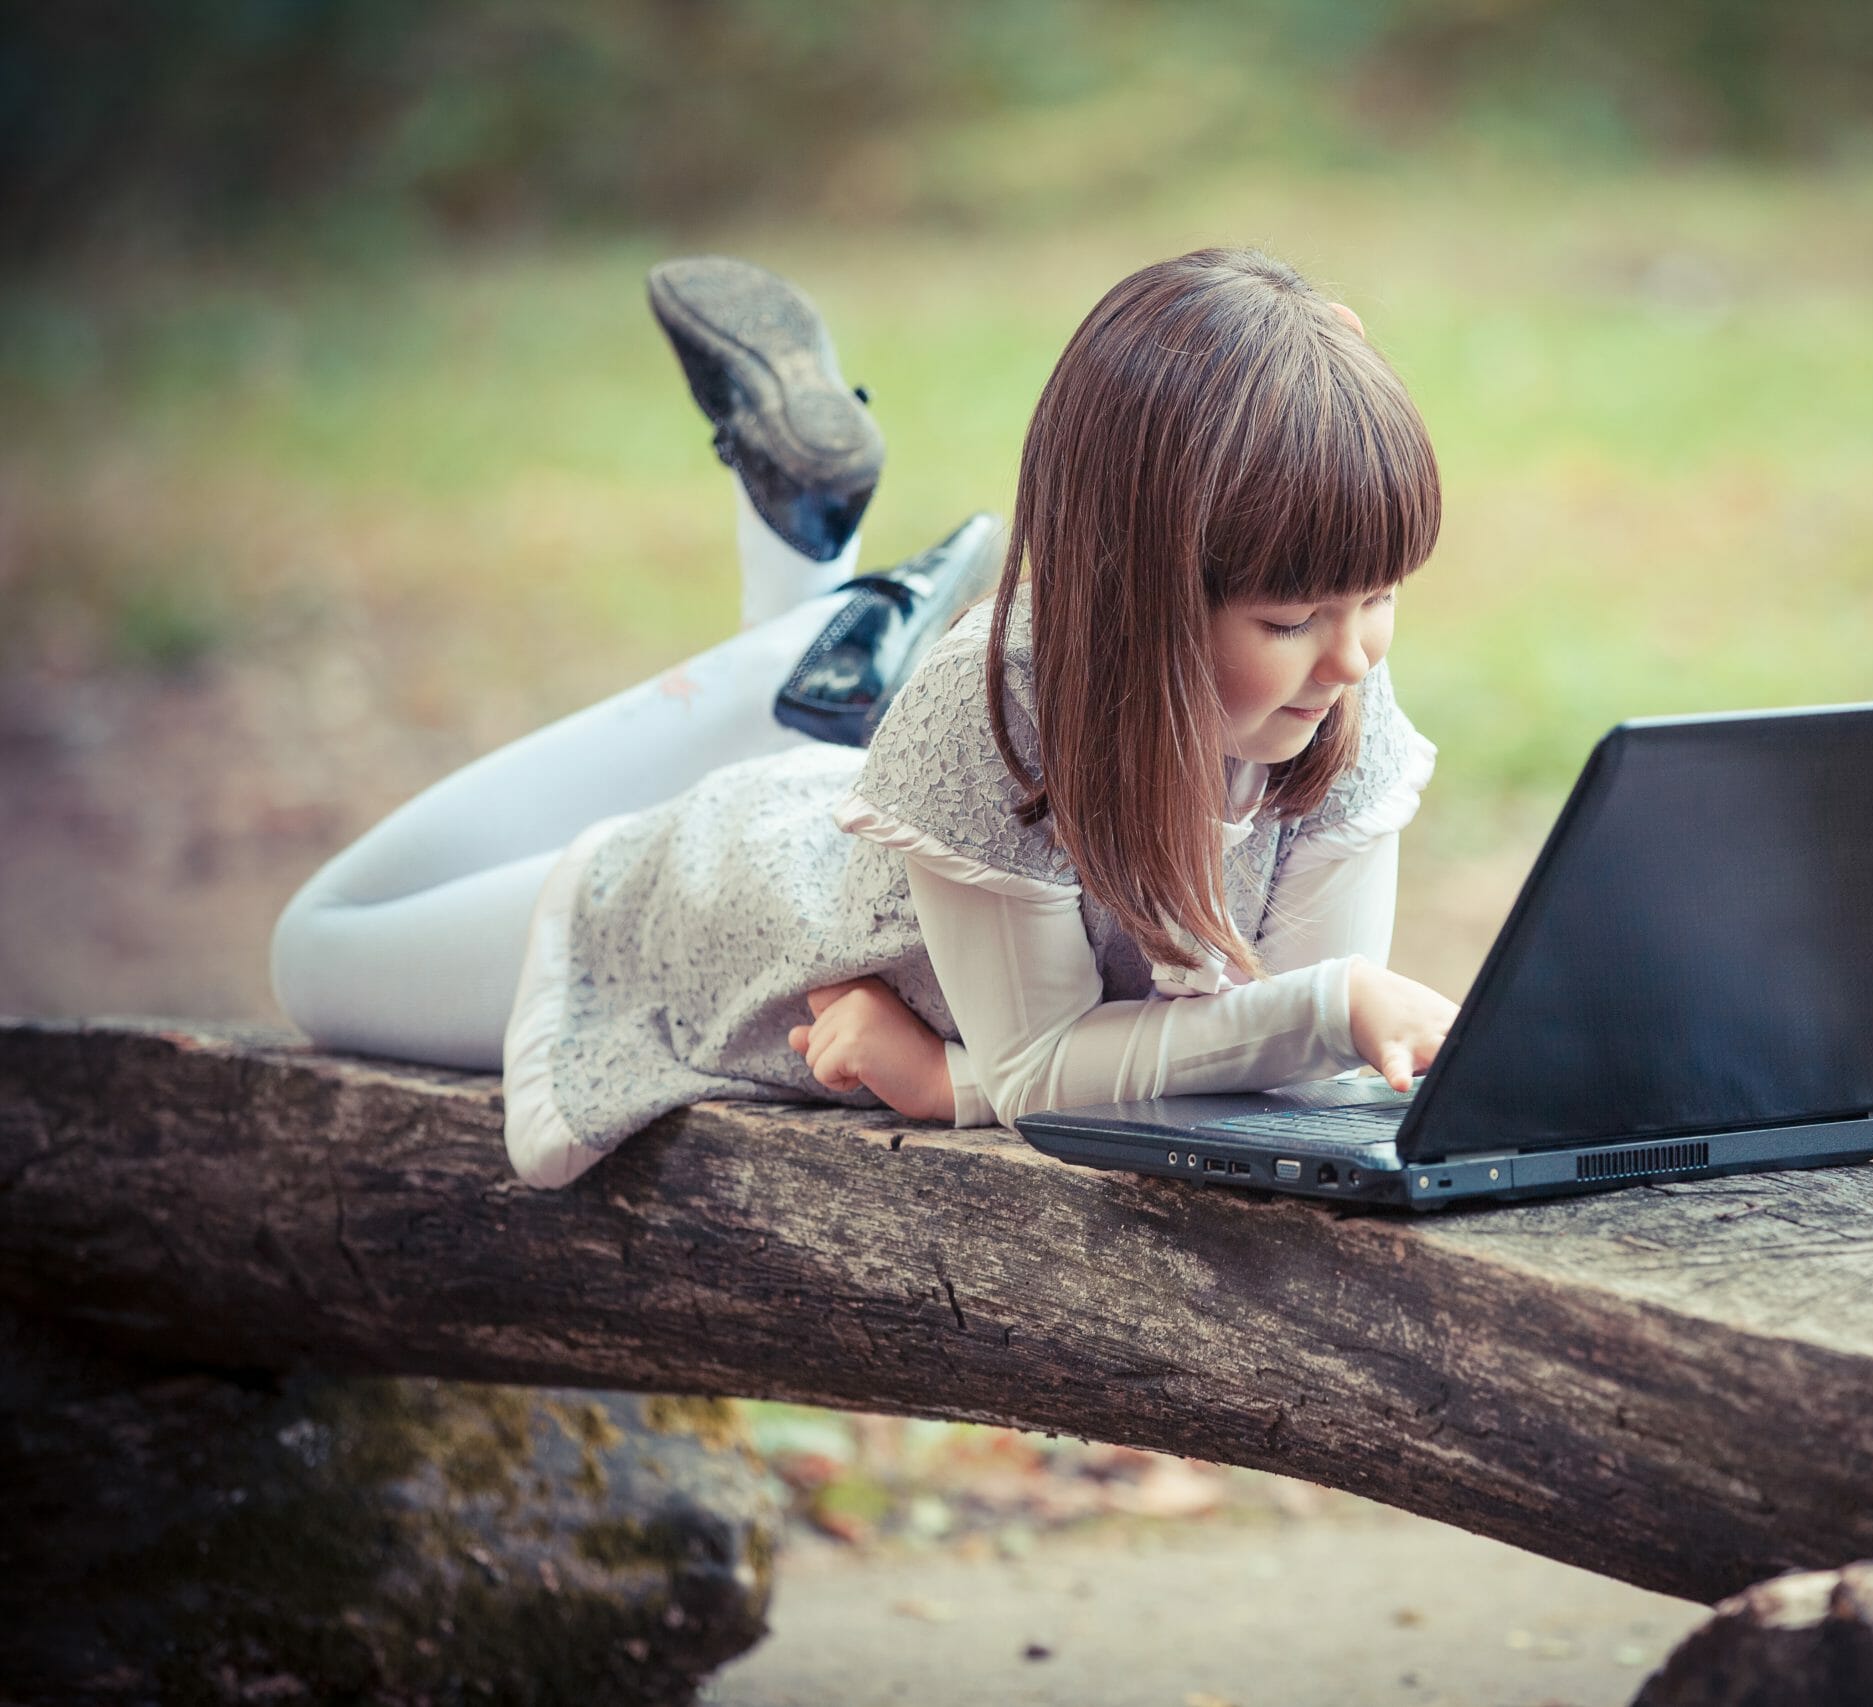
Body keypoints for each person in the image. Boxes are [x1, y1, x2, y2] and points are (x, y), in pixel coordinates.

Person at [269, 246, 1460, 1189]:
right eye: (1293, 618)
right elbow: (1074, 1060)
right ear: (1140, 586)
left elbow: (1277, 1054)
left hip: (876, 835)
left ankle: (813, 599)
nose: (1351, 654)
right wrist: (970, 1082)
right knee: (318, 950)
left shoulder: (1337, 699)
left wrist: (954, 1078)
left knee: (828, 754)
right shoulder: (1004, 703)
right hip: (719, 915)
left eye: (1379, 598)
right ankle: (792, 650)